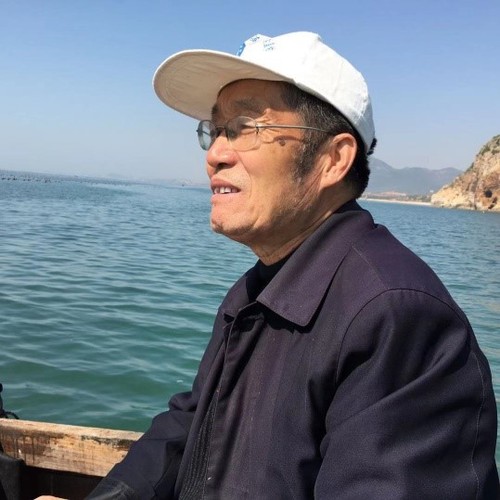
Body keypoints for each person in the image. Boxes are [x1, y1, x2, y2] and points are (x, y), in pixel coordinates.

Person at [45, 31, 499, 499]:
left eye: (245, 127)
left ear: (332, 159)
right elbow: (191, 424)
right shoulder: (255, 291)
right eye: (216, 130)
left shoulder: (398, 317)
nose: (215, 154)